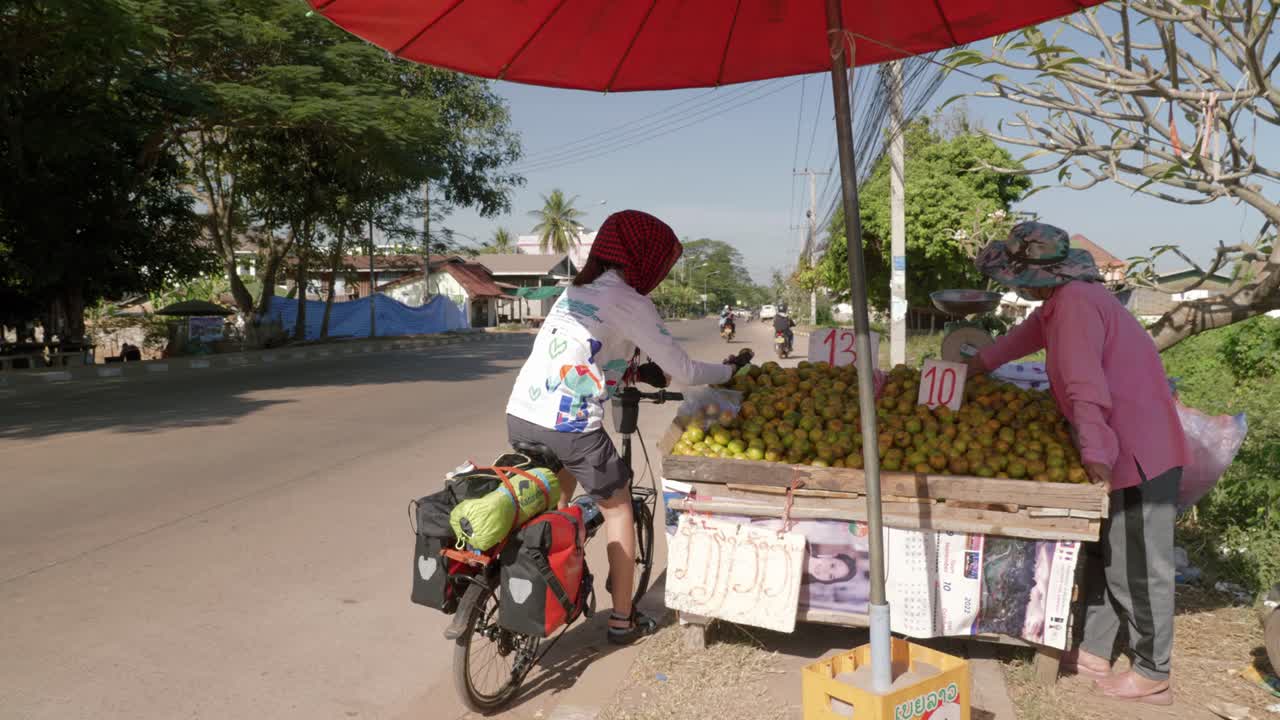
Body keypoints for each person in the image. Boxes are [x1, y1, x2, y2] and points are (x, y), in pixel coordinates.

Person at [966, 222, 1188, 705]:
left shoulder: (1076, 308)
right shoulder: (1064, 303)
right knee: (1111, 554)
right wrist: (977, 364)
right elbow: (1024, 337)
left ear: (1035, 275)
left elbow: (1086, 388)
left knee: (1137, 563)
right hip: (1125, 441)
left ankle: (1155, 672)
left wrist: (1094, 457)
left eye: (1016, 277)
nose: (1014, 287)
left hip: (1135, 449)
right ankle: (1095, 650)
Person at [505, 210, 752, 645]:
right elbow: (687, 370)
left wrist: (636, 375)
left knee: (559, 504)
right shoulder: (631, 300)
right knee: (617, 509)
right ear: (645, 258)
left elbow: (587, 352)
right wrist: (729, 372)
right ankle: (622, 619)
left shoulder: (576, 290)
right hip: (571, 424)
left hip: (522, 413)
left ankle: (554, 576)